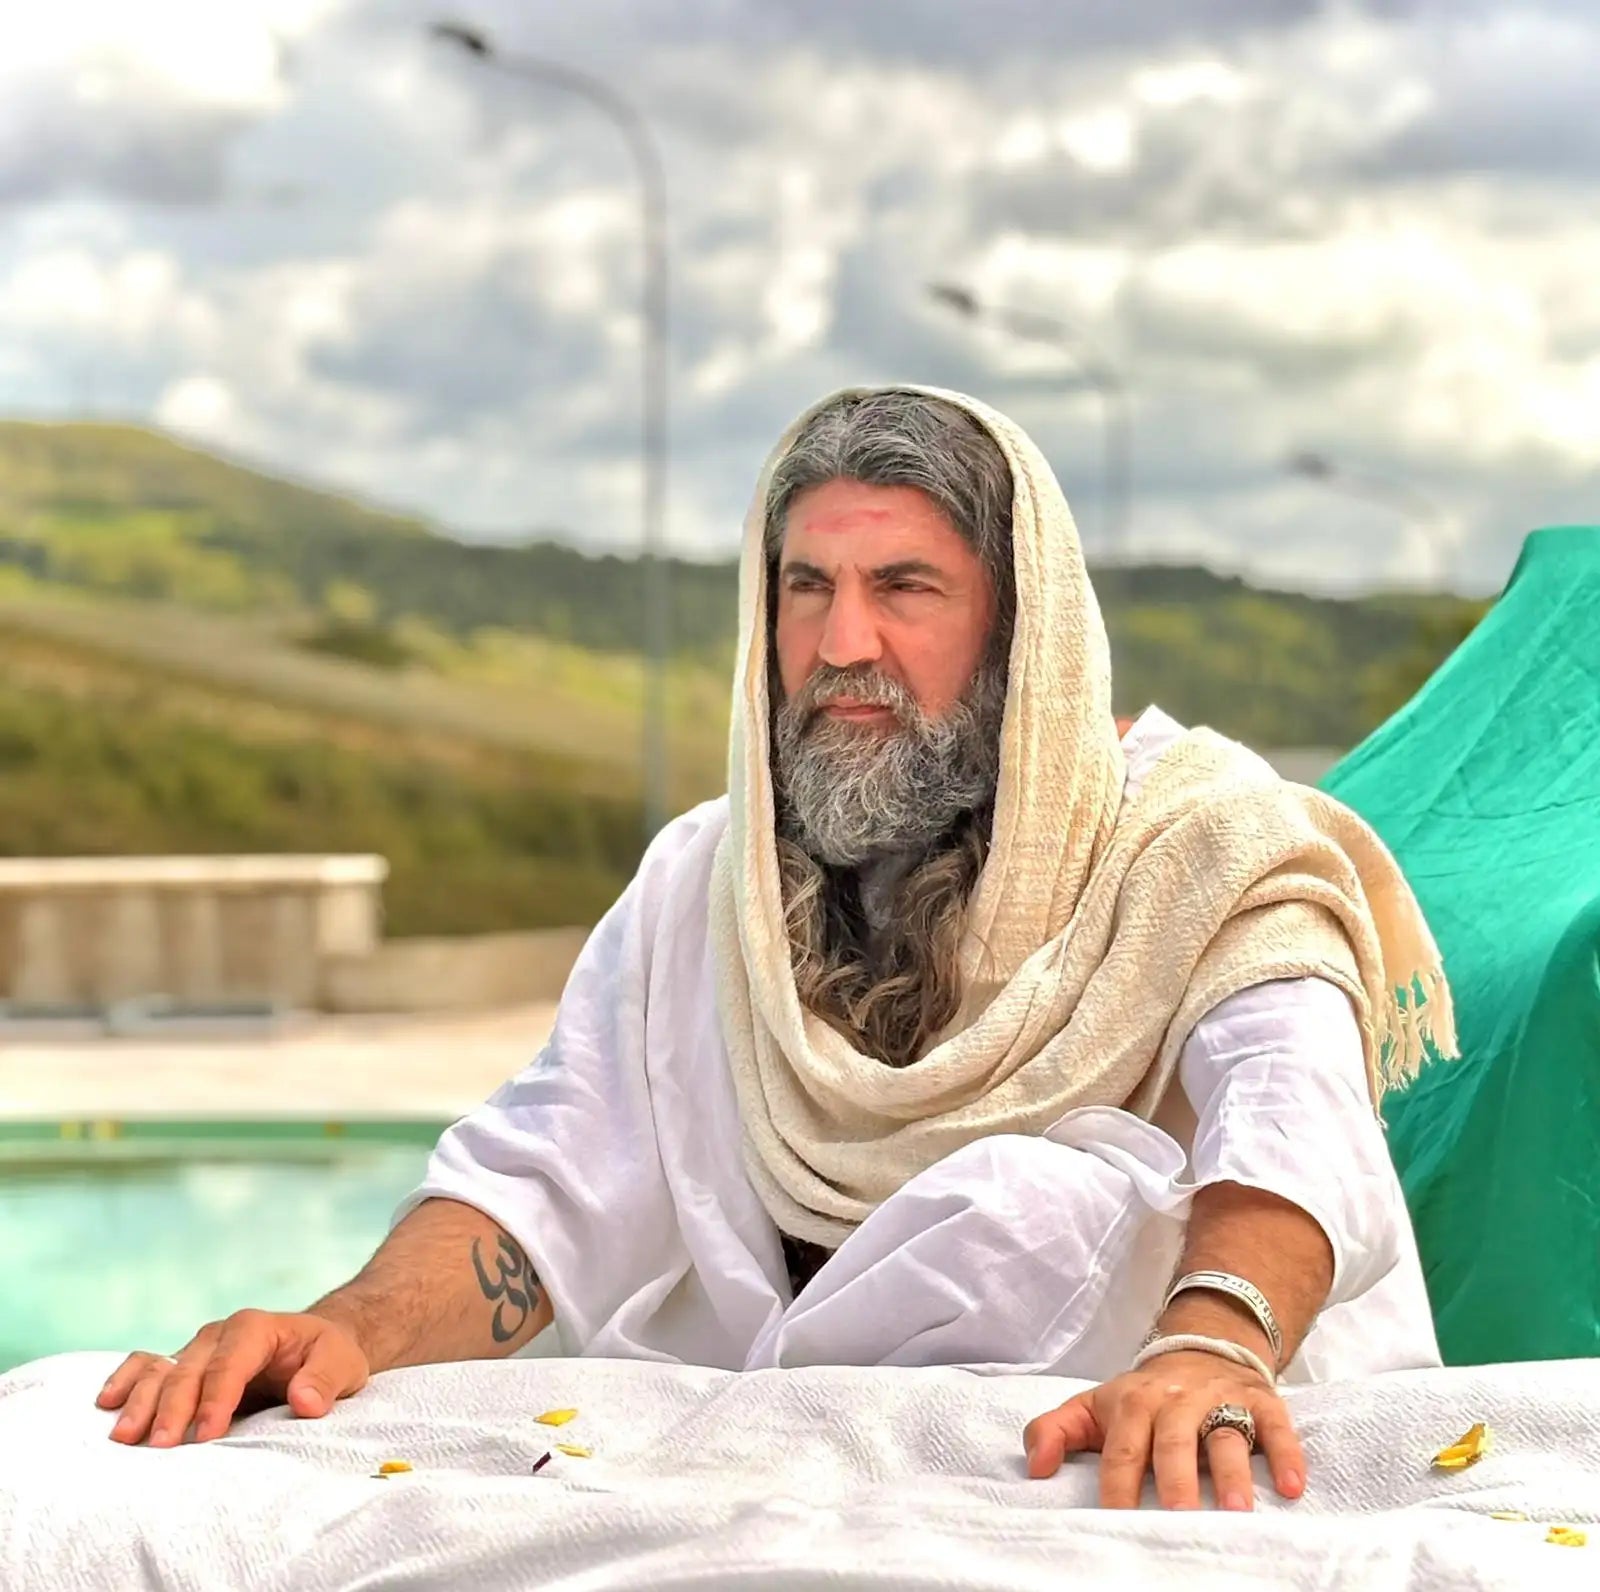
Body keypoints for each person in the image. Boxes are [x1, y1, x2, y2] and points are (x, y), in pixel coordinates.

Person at [97, 387, 1454, 1514]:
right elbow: (549, 1173)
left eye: (904, 588)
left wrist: (1214, 1344)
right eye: (808, 588)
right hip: (806, 1486)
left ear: (1018, 628)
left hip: (1159, 1462)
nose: (840, 646)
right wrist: (349, 1330)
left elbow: (1294, 1121)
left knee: (1033, 1206)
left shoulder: (1202, 846)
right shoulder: (707, 883)